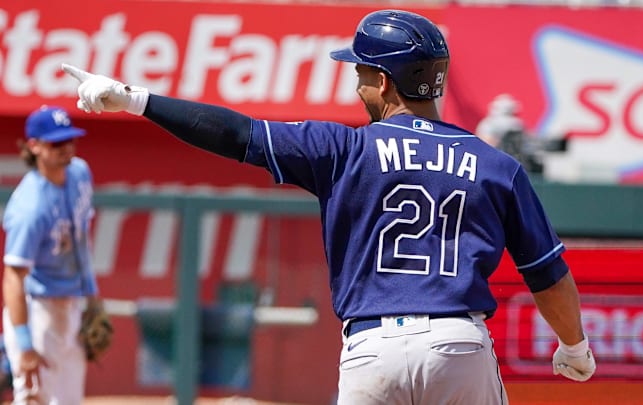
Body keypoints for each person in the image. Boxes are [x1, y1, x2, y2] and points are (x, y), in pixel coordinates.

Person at [62, 9, 595, 404]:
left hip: (372, 350)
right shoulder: (494, 164)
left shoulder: (343, 148)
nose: (356, 77)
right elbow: (548, 276)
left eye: (361, 69)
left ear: (384, 81)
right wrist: (574, 347)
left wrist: (134, 100)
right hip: (458, 344)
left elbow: (233, 132)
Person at [2, 105, 102, 404]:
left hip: (73, 304)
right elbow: (12, 277)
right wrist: (24, 344)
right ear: (34, 146)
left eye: (70, 139)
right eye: (56, 142)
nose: (66, 148)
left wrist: (93, 300)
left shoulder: (81, 173)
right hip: (39, 311)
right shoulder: (30, 208)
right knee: (35, 400)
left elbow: (82, 241)